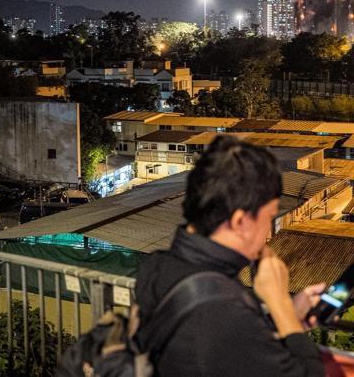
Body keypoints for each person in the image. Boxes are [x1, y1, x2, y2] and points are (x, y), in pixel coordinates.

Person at [135, 136, 326, 376]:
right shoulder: (224, 310)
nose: (268, 229)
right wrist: (281, 305)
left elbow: (222, 354)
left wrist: (285, 320)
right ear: (240, 221)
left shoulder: (157, 265)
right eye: (269, 217)